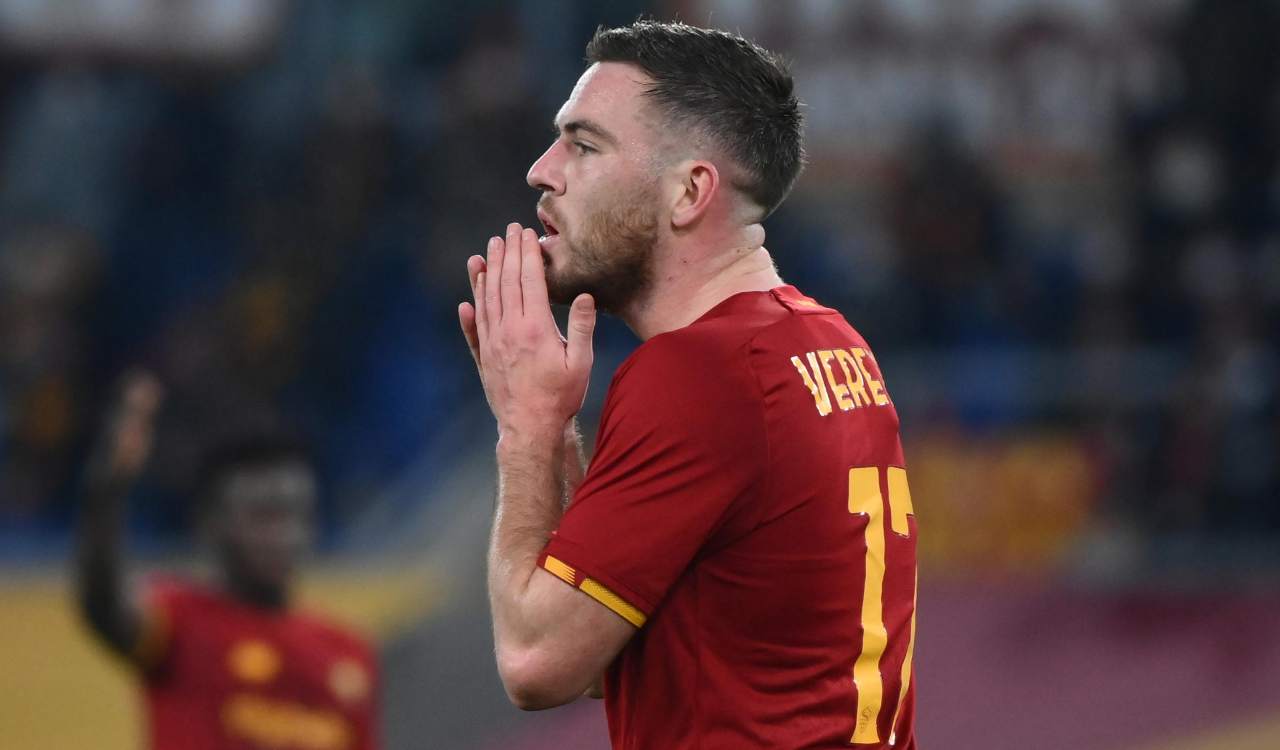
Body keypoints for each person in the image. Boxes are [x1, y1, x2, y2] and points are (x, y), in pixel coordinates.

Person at [457, 20, 918, 750]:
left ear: (690, 191)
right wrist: (557, 436)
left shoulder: (699, 375)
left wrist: (527, 426)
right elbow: (600, 649)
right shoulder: (831, 342)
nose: (542, 170)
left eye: (584, 144)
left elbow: (537, 663)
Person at [74, 373, 379, 750]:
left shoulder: (347, 652)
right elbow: (103, 607)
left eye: (297, 514)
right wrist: (106, 490)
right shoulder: (179, 621)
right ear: (211, 523)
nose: (285, 535)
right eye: (264, 516)